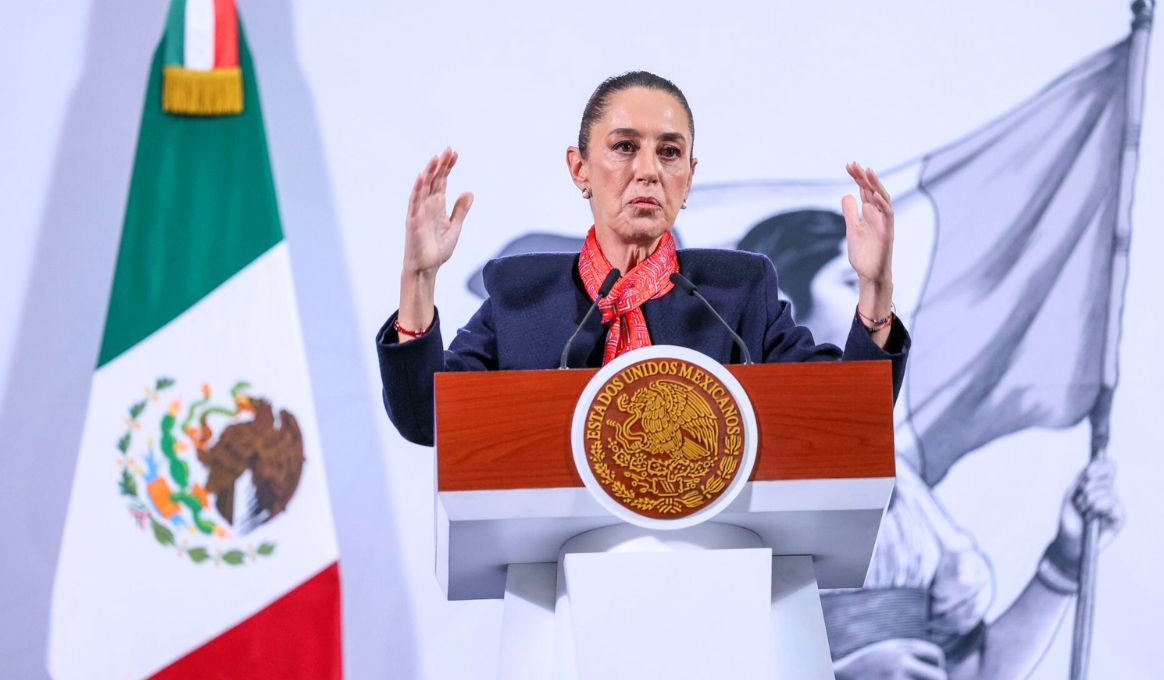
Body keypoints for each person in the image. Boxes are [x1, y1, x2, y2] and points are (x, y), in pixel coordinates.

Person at [377, 71, 910, 446]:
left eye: (670, 152)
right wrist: (418, 281)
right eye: (625, 147)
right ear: (579, 169)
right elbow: (426, 420)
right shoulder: (521, 295)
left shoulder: (739, 293)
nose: (649, 170)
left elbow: (848, 415)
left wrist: (875, 291)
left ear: (689, 177)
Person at [739, 210, 1125, 680]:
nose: (879, 308)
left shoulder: (900, 482)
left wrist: (1064, 560)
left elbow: (977, 671)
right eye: (852, 282)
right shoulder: (719, 468)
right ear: (779, 305)